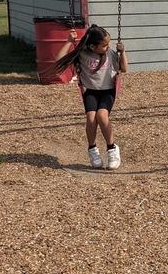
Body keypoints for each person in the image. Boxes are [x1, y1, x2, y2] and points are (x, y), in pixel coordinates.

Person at [49, 24, 128, 169]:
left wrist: (122, 52)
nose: (108, 47)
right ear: (92, 47)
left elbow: (124, 68)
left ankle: (112, 149)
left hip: (108, 91)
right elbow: (59, 60)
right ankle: (92, 150)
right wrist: (68, 41)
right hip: (90, 91)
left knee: (102, 116)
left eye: (108, 44)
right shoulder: (82, 55)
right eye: (104, 45)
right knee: (91, 118)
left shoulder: (110, 53)